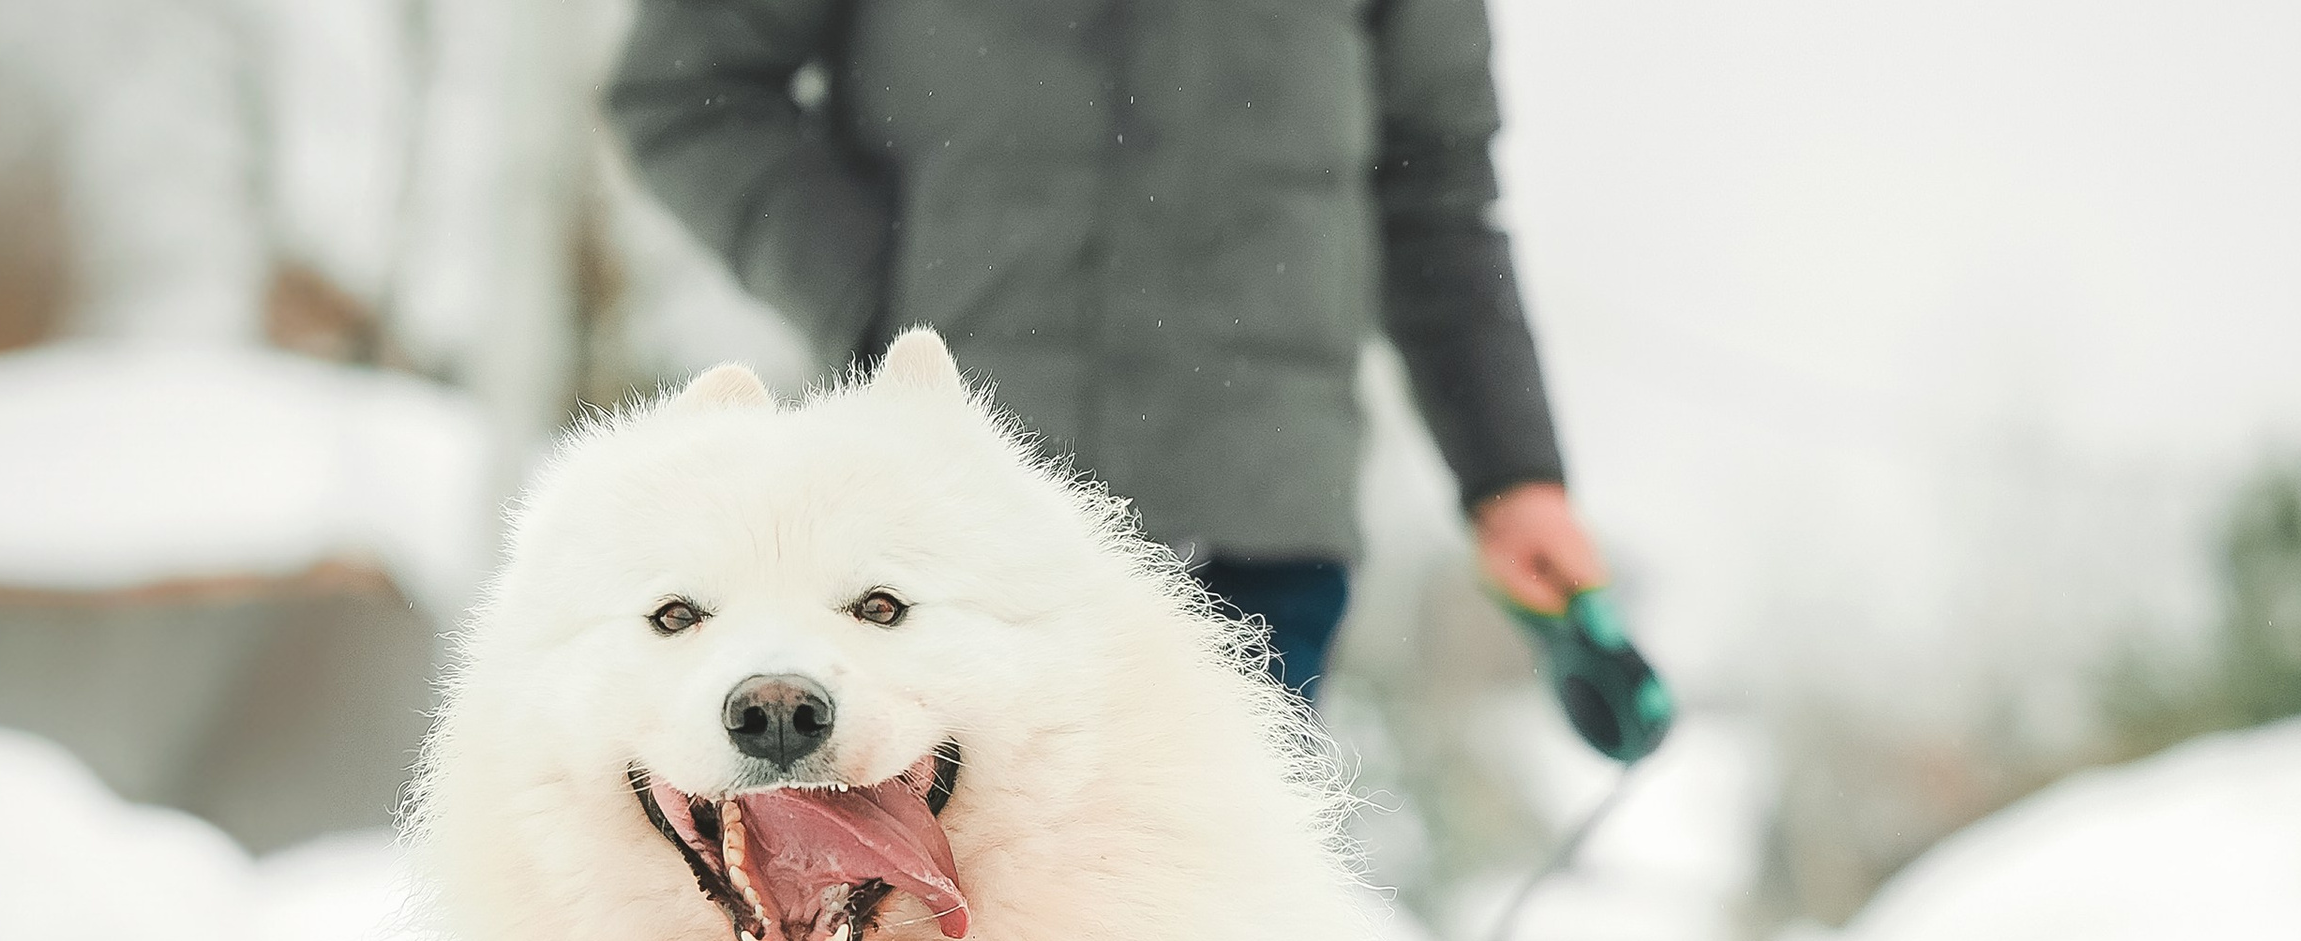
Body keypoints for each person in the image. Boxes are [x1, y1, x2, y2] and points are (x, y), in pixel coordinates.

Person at [609, 0, 1607, 701]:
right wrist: (884, 302)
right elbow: (686, 91)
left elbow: (1431, 184)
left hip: (1255, 536)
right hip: (938, 526)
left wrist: (1511, 472)